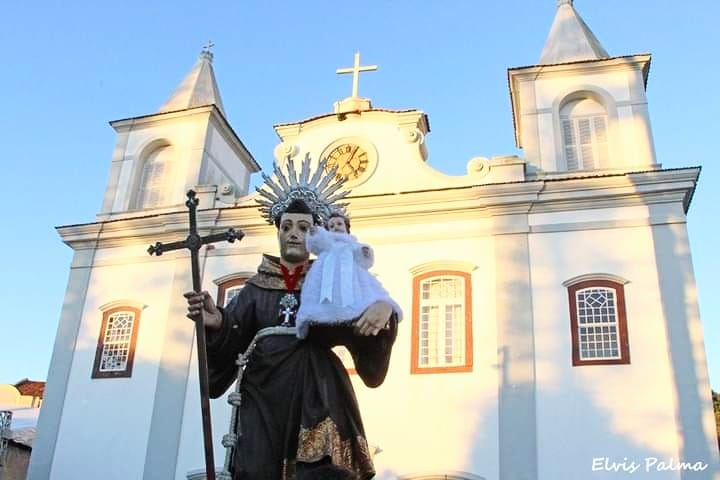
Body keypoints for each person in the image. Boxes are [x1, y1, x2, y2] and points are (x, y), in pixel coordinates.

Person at [185, 199, 398, 480]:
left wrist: (384, 309)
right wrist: (218, 322)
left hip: (316, 390)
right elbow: (235, 333)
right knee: (257, 467)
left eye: (303, 227)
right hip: (263, 392)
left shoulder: (330, 278)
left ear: (315, 235)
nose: (293, 233)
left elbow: (362, 316)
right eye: (286, 227)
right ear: (278, 234)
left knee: (317, 469)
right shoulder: (256, 286)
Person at [296, 211, 402, 339]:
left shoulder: (353, 245)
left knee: (362, 294)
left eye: (339, 224)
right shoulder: (327, 244)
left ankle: (352, 313)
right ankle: (321, 314)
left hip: (352, 277)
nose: (336, 227)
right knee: (318, 294)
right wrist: (314, 233)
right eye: (331, 226)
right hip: (325, 274)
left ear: (347, 228)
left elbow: (365, 262)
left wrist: (365, 251)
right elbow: (315, 244)